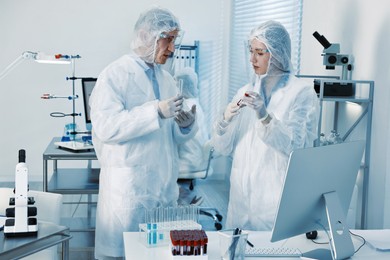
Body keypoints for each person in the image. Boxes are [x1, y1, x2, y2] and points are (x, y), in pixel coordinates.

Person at [89, 7, 197, 259]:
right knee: (124, 252)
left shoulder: (166, 79)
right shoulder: (114, 75)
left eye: (174, 39)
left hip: (161, 186)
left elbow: (171, 138)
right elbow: (106, 127)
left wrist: (185, 125)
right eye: (167, 39)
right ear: (146, 35)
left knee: (157, 253)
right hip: (130, 188)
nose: (172, 48)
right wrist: (155, 112)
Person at [211, 20, 319, 231]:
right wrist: (225, 120)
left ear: (277, 53)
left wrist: (264, 117)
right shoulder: (245, 90)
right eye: (251, 51)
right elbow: (222, 147)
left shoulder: (301, 93)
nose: (252, 59)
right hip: (240, 203)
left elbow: (296, 147)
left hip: (274, 203)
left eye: (260, 53)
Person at [175, 67, 209, 173]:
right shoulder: (194, 103)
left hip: (188, 162)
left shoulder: (186, 107)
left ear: (181, 86)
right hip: (197, 159)